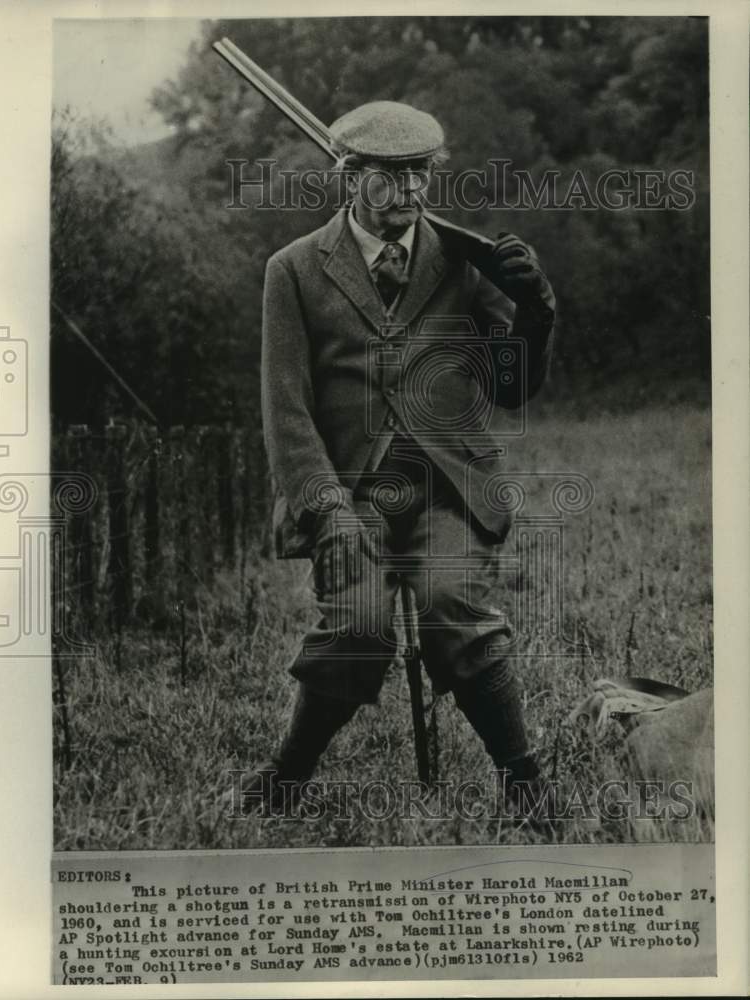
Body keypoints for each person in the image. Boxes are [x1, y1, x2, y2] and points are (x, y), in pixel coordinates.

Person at [234, 100, 556, 828]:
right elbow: (285, 413)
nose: (411, 193)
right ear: (350, 176)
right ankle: (285, 779)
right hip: (350, 495)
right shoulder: (291, 271)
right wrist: (329, 512)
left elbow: (512, 385)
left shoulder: (461, 263)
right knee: (359, 620)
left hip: (449, 488)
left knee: (451, 606)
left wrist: (535, 310)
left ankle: (526, 779)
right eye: (392, 177)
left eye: (421, 176)